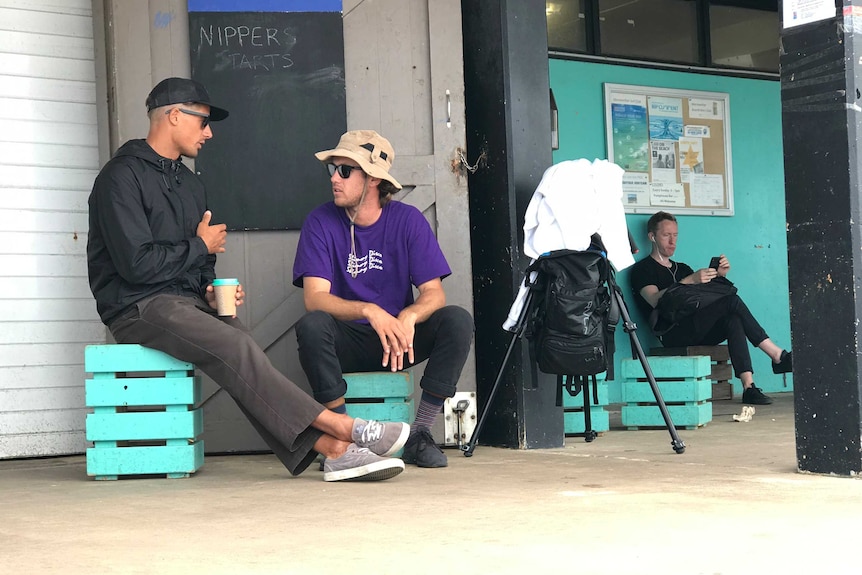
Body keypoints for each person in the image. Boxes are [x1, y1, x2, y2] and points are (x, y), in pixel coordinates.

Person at [87, 77, 410, 482]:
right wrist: (200, 247)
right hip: (135, 306)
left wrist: (209, 288)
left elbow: (200, 265)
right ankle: (346, 428)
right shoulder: (120, 178)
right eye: (202, 121)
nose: (209, 132)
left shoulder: (191, 184)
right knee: (237, 346)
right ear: (173, 116)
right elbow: (136, 265)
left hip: (182, 303)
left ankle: (335, 451)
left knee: (246, 352)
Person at [293, 130, 474, 468]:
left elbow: (434, 293)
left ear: (373, 180)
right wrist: (368, 310)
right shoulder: (320, 221)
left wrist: (409, 316)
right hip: (347, 340)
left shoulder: (408, 221)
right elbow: (314, 298)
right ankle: (345, 438)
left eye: (345, 171)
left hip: (397, 341)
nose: (334, 178)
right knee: (312, 325)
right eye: (332, 169)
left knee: (457, 320)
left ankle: (420, 433)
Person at [628, 211, 792, 405]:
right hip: (672, 332)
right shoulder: (642, 269)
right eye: (666, 235)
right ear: (652, 236)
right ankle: (776, 355)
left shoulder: (682, 268)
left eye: (675, 235)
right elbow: (655, 300)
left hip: (697, 326)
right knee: (732, 302)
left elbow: (703, 300)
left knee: (733, 318)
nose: (672, 241)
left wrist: (718, 277)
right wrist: (689, 281)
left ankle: (749, 387)